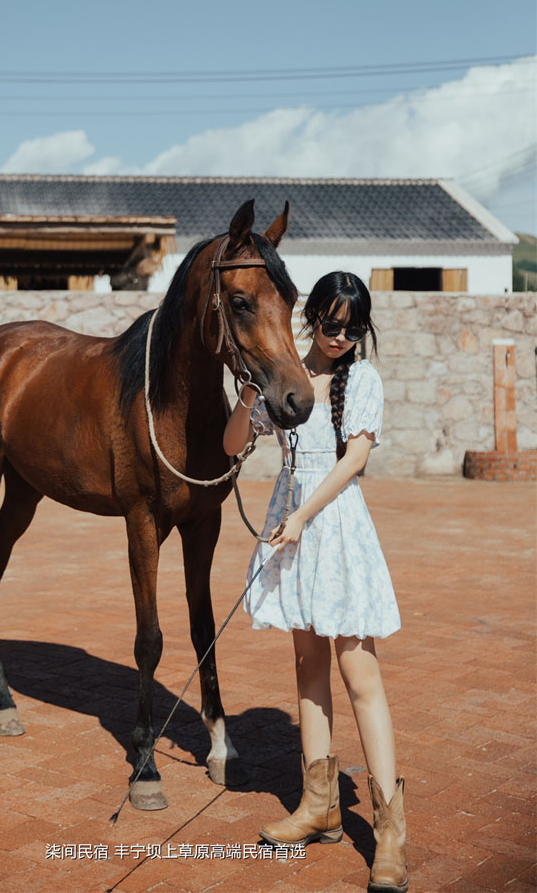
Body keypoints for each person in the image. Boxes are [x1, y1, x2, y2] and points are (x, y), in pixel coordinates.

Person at [223, 271, 407, 893]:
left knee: (361, 676)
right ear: (311, 319)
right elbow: (230, 445)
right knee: (307, 666)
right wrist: (250, 393)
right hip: (290, 527)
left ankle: (389, 834)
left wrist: (301, 516)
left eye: (352, 328)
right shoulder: (287, 374)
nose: (340, 337)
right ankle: (320, 805)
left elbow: (354, 460)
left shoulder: (364, 378)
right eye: (331, 325)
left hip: (332, 524)